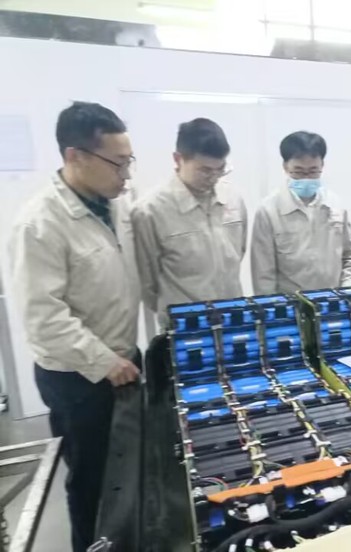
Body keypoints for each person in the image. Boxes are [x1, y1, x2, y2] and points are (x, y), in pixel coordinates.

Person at [9, 102, 140, 552]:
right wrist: (105, 362)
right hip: (78, 380)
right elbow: (43, 319)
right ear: (75, 156)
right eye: (117, 163)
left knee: (125, 474)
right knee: (91, 482)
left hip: (123, 362)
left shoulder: (114, 206)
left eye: (129, 161)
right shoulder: (39, 225)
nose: (126, 174)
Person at [131, 118, 247, 325]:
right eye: (205, 170)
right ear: (178, 159)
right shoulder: (150, 210)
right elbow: (148, 284)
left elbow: (239, 253)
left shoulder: (232, 199)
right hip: (184, 326)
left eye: (220, 169)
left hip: (232, 319)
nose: (213, 177)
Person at [250, 131, 351, 294]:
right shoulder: (268, 210)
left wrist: (348, 291)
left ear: (322, 166)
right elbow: (263, 274)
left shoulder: (335, 204)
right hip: (291, 303)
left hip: (334, 300)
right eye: (299, 172)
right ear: (285, 167)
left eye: (313, 171)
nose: (307, 178)